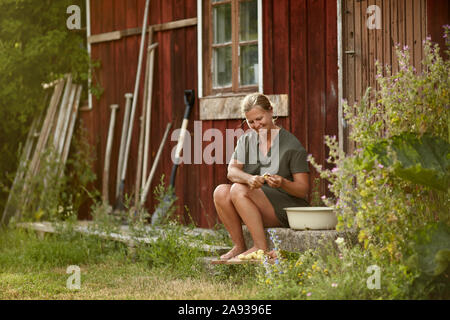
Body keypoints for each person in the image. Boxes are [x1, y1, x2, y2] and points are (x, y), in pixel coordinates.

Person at [213, 93, 310, 260]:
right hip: (254, 204)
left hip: (283, 210)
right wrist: (249, 178)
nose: (256, 125)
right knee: (220, 191)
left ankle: (260, 247)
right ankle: (239, 246)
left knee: (238, 189)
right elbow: (232, 171)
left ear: (271, 111)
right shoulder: (246, 141)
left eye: (259, 119)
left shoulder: (291, 145)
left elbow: (302, 190)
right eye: (251, 122)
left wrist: (283, 182)